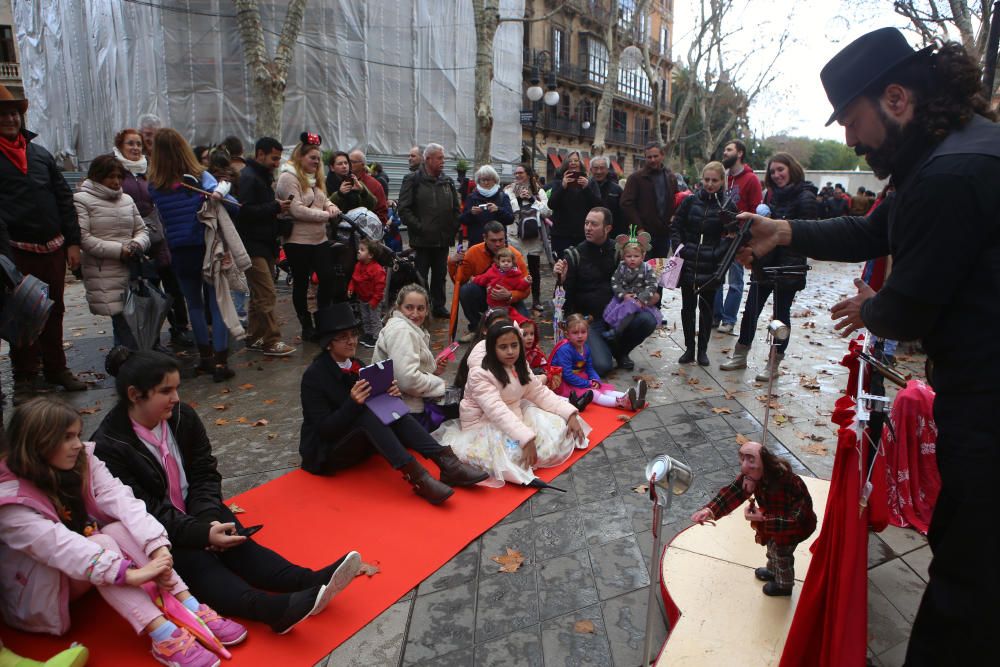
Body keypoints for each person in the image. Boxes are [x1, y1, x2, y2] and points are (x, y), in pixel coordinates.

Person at [738, 29, 999, 663]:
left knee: (967, 588)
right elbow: (870, 229)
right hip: (974, 386)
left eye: (853, 122)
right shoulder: (934, 157)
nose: (851, 140)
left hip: (987, 403)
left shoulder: (951, 171)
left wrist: (871, 307)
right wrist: (785, 230)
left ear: (896, 97)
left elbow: (907, 307)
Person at [91, 348, 357, 635]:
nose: (176, 398)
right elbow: (145, 511)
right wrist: (202, 534)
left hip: (196, 508)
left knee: (240, 546)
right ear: (134, 394)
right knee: (200, 564)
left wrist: (207, 519)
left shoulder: (182, 416)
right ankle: (270, 610)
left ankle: (308, 581)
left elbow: (204, 471)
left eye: (177, 388)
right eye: (165, 391)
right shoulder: (109, 445)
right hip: (152, 532)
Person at [0, 396, 244, 665]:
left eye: (77, 435)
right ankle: (163, 634)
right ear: (37, 443)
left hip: (88, 565)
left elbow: (124, 501)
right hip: (39, 591)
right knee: (102, 540)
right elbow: (59, 546)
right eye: (66, 437)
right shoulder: (10, 502)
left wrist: (159, 549)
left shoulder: (82, 459)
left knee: (117, 528)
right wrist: (132, 574)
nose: (76, 445)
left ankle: (189, 605)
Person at [299, 303, 488, 505]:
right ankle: (419, 478)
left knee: (391, 409)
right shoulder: (314, 377)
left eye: (353, 334)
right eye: (343, 337)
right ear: (328, 343)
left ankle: (448, 463)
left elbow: (379, 406)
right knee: (366, 413)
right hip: (325, 453)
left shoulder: (358, 366)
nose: (352, 341)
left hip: (360, 440)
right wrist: (353, 403)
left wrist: (392, 396)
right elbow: (324, 430)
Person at [0, 84, 86, 404]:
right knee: (24, 313)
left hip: (52, 248)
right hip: (14, 251)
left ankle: (56, 368)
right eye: (3, 114)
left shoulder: (40, 154)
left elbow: (64, 200)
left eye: (13, 113)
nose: (10, 119)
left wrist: (73, 243)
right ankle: (25, 377)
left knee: (55, 310)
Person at [437, 321, 589, 487]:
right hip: (484, 424)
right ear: (492, 349)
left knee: (558, 425)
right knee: (514, 455)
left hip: (513, 414)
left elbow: (539, 392)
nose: (510, 351)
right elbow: (497, 412)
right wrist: (525, 438)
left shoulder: (519, 364)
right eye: (503, 347)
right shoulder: (479, 373)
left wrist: (570, 413)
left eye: (514, 345)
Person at [147, 128, 239, 382]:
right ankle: (221, 362)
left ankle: (205, 358)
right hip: (206, 246)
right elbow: (227, 198)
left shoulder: (154, 185)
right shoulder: (199, 177)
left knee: (194, 305)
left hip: (178, 250)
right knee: (216, 301)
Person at [721, 152, 818, 378]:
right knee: (751, 310)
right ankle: (740, 355)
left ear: (791, 168)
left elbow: (808, 234)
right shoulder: (771, 196)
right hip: (764, 263)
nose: (776, 175)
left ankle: (773, 364)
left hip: (788, 267)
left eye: (780, 170)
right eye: (773, 171)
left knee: (780, 315)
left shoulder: (805, 197)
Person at [691, 440, 816, 596]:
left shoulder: (789, 482)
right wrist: (710, 510)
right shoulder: (755, 476)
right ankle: (772, 570)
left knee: (781, 553)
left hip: (793, 529)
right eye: (742, 459)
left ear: (764, 463)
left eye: (751, 461)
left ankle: (784, 585)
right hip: (772, 525)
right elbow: (734, 492)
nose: (744, 468)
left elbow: (798, 518)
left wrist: (763, 517)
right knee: (771, 547)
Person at [113, 127, 194, 349]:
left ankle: (180, 328)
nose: (135, 148)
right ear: (120, 147)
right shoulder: (118, 172)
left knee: (172, 284)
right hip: (134, 238)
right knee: (147, 288)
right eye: (130, 144)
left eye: (138, 144)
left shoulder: (150, 169)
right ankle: (151, 336)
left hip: (159, 236)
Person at [553, 207, 658, 372]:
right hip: (589, 321)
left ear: (607, 228)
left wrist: (646, 294)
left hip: (615, 316)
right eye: (586, 223)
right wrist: (561, 281)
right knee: (602, 366)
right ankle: (601, 347)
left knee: (648, 320)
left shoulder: (619, 253)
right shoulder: (574, 255)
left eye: (594, 224)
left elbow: (640, 280)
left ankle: (620, 352)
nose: (588, 228)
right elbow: (560, 300)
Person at [75, 155, 150, 351]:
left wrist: (136, 244)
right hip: (105, 271)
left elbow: (142, 230)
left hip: (133, 269)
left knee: (133, 322)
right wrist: (119, 251)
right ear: (98, 177)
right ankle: (127, 368)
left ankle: (131, 365)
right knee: (123, 323)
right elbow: (84, 238)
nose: (116, 181)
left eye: (119, 177)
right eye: (110, 177)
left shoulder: (127, 199)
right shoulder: (82, 200)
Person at [275, 132, 341, 342]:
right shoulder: (288, 178)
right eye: (312, 157)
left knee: (328, 278)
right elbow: (297, 210)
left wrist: (331, 206)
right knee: (302, 283)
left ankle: (323, 319)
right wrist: (325, 216)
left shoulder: (315, 178)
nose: (316, 161)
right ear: (300, 157)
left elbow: (324, 199)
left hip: (319, 239)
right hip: (297, 241)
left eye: (318, 158)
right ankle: (306, 325)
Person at [670, 161, 736, 366]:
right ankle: (689, 348)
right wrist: (680, 247)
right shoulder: (689, 202)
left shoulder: (727, 205)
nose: (709, 184)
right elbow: (676, 226)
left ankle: (703, 350)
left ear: (721, 182)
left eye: (714, 180)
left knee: (706, 309)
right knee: (687, 307)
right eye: (706, 179)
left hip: (711, 265)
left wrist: (718, 252)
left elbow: (734, 235)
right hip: (688, 261)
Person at [236, 136, 296, 356]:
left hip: (264, 243)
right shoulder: (249, 178)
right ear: (260, 154)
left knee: (259, 293)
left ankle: (254, 335)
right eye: (274, 158)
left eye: (279, 159)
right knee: (267, 293)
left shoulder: (259, 176)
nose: (276, 163)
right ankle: (272, 339)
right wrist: (274, 207)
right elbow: (245, 211)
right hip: (253, 245)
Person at [373, 285, 452, 432]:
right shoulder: (402, 331)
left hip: (403, 406)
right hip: (403, 412)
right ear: (399, 307)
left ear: (427, 310)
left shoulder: (410, 328)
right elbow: (407, 380)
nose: (415, 314)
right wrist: (439, 385)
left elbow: (405, 368)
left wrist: (432, 369)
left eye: (420, 308)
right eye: (409, 307)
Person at [398, 143, 461, 317]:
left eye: (443, 158)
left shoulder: (447, 181)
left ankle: (438, 306)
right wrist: (420, 228)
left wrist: (452, 227)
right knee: (420, 276)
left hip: (442, 239)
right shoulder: (413, 179)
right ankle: (420, 308)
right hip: (422, 240)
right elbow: (403, 209)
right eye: (440, 158)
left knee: (440, 275)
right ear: (428, 159)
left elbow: (456, 208)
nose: (443, 161)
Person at [712, 139, 763, 334]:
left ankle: (729, 319)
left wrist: (744, 234)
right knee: (716, 278)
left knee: (735, 281)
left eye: (729, 149)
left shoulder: (751, 180)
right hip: (720, 237)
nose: (724, 153)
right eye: (724, 149)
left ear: (739, 153)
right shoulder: (722, 178)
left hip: (739, 239)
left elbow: (756, 211)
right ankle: (715, 317)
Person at [449, 221, 530, 341]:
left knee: (523, 327)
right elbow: (459, 281)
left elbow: (526, 290)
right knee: (466, 290)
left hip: (510, 301)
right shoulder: (473, 252)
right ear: (484, 238)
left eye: (501, 240)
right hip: (486, 296)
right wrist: (452, 263)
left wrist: (509, 295)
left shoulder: (515, 255)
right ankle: (477, 328)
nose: (498, 244)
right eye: (493, 240)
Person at [549, 313, 647, 410]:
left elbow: (589, 367)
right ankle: (621, 402)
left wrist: (596, 379)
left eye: (583, 332)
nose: (580, 336)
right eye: (575, 333)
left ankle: (637, 398)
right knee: (593, 393)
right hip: (566, 383)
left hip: (580, 378)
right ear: (567, 334)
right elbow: (567, 375)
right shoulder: (565, 350)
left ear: (587, 332)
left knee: (603, 389)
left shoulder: (585, 348)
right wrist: (588, 383)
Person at [620, 142, 677, 260]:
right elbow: (626, 204)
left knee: (659, 269)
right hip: (642, 234)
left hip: (664, 234)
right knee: (640, 269)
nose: (652, 160)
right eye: (649, 157)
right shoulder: (636, 178)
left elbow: (676, 199)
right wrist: (640, 229)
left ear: (662, 156)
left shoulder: (670, 177)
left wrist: (674, 215)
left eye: (655, 156)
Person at [602, 228, 661, 337]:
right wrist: (623, 295)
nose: (632, 259)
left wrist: (642, 298)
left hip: (639, 299)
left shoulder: (646, 268)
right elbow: (615, 281)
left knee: (630, 309)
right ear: (624, 256)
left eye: (636, 256)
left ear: (643, 256)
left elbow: (652, 285)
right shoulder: (622, 266)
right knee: (612, 309)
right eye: (629, 256)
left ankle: (617, 331)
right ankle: (611, 328)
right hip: (625, 297)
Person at [547, 151, 601, 257]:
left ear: (581, 163)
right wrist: (563, 187)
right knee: (562, 266)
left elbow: (598, 206)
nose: (573, 163)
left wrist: (587, 188)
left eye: (576, 160)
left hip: (583, 233)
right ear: (565, 164)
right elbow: (551, 204)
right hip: (561, 234)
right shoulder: (558, 181)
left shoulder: (590, 182)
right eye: (570, 161)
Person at [471, 247, 530, 324]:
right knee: (490, 320)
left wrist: (526, 281)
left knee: (506, 320)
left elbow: (519, 286)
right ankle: (483, 330)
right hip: (492, 304)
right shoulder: (492, 271)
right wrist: (474, 279)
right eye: (503, 261)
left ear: (513, 262)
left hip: (505, 305)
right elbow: (483, 278)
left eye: (508, 261)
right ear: (498, 262)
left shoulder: (515, 275)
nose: (506, 263)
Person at [459, 165, 514, 246]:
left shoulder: (502, 196)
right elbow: (462, 220)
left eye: (488, 179)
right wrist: (471, 213)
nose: (486, 182)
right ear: (478, 181)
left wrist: (498, 210)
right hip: (477, 244)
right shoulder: (472, 197)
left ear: (495, 180)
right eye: (483, 180)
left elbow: (510, 219)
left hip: (498, 244)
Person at [347, 238, 386, 347]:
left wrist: (374, 300)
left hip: (374, 299)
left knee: (374, 319)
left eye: (362, 249)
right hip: (362, 298)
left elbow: (380, 287)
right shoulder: (358, 265)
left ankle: (377, 337)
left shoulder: (377, 269)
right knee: (365, 317)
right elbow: (354, 279)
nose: (358, 251)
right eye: (359, 249)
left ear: (370, 255)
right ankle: (368, 334)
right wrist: (351, 288)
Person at [348, 150, 388, 224]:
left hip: (365, 231)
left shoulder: (375, 184)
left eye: (353, 162)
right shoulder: (344, 179)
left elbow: (382, 213)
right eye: (348, 161)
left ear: (362, 165)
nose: (348, 164)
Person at [589, 156, 624, 237]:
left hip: (611, 234)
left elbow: (622, 215)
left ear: (607, 170)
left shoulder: (617, 189)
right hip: (588, 233)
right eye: (595, 168)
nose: (599, 171)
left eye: (602, 168)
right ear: (591, 170)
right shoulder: (585, 187)